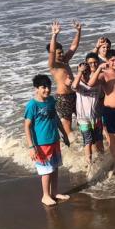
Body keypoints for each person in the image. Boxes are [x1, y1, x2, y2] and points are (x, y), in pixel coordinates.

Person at [24, 74, 70, 206]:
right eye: (43, 87)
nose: (47, 90)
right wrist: (31, 147)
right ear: (36, 88)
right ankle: (45, 195)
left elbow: (55, 118)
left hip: (54, 139)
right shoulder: (32, 105)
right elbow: (27, 126)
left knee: (55, 168)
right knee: (46, 170)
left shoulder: (50, 100)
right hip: (41, 143)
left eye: (48, 87)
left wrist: (64, 134)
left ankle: (54, 192)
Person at [88, 49, 115, 163]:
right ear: (107, 61)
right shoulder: (104, 74)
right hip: (112, 111)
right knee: (114, 138)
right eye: (112, 60)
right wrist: (99, 69)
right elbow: (91, 84)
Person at [47, 20, 82, 137]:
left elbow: (74, 46)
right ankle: (71, 146)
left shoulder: (65, 61)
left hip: (74, 94)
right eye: (59, 53)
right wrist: (54, 35)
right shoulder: (53, 65)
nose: (62, 55)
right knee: (67, 123)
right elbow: (52, 51)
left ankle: (83, 140)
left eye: (62, 52)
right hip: (63, 97)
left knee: (82, 119)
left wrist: (78, 31)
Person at [71, 53, 104, 166]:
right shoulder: (78, 83)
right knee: (88, 141)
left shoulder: (96, 82)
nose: (84, 73)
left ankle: (102, 160)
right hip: (83, 118)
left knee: (99, 140)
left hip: (96, 117)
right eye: (82, 72)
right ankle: (89, 163)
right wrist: (80, 72)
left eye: (86, 71)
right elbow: (74, 87)